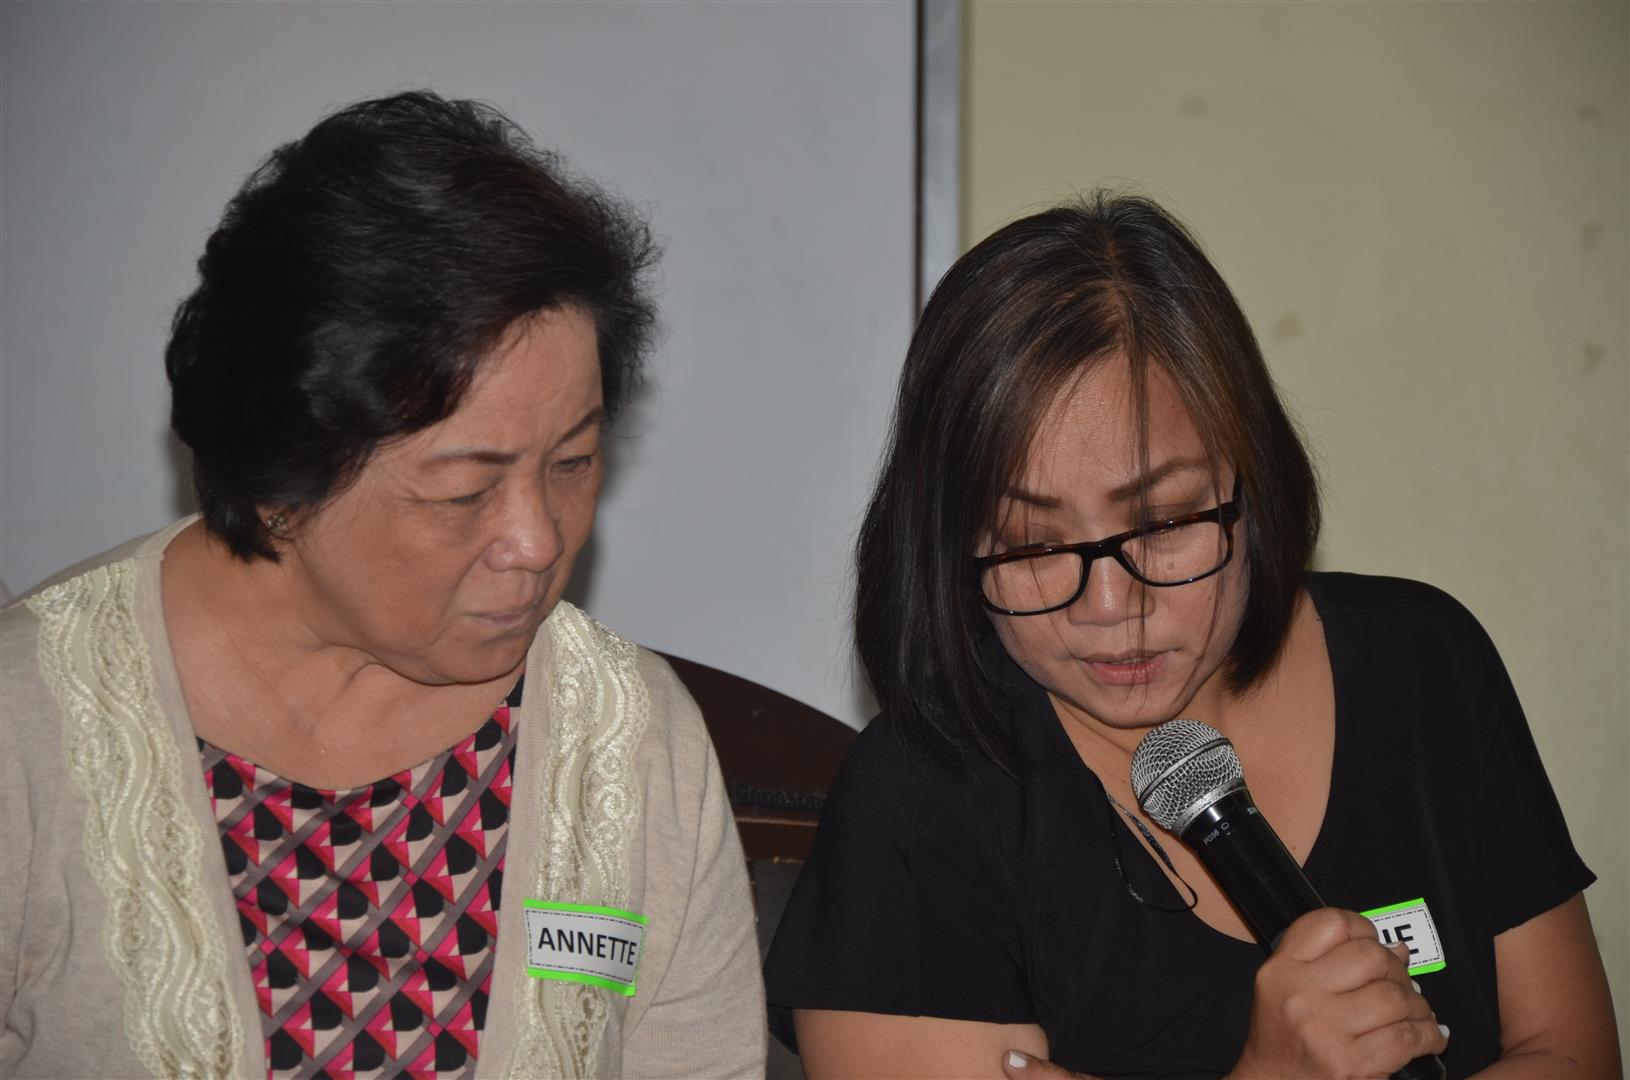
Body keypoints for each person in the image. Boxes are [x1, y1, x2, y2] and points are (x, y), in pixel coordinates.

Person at [763, 193, 1619, 1078]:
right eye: (1032, 544)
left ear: (1255, 480)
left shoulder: (1422, 668)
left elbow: (1572, 1055)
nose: (1109, 605)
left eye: (1165, 522)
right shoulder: (919, 804)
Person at [0, 91, 764, 1079]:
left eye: (572, 462)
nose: (536, 540)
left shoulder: (628, 739)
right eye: (463, 490)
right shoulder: (30, 726)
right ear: (282, 480)